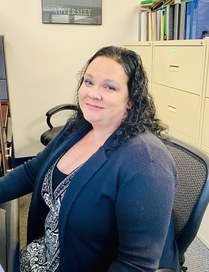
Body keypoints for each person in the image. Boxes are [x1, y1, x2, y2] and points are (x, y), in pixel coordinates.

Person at [0, 46, 180, 272]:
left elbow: (135, 265)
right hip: (44, 255)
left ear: (131, 99)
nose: (93, 93)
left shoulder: (147, 162)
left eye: (110, 87)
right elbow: (30, 172)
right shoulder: (78, 127)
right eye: (88, 82)